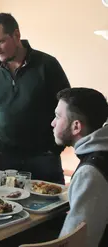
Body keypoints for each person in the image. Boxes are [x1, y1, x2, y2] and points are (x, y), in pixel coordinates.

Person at [0, 13, 71, 184]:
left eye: (0, 41)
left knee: (52, 209)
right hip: (6, 158)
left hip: (44, 158)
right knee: (6, 208)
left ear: (16, 35)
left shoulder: (47, 65)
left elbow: (68, 108)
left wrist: (55, 149)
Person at [52, 88, 108, 247]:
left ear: (76, 127)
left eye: (57, 116)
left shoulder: (90, 173)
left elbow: (78, 241)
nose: (52, 123)